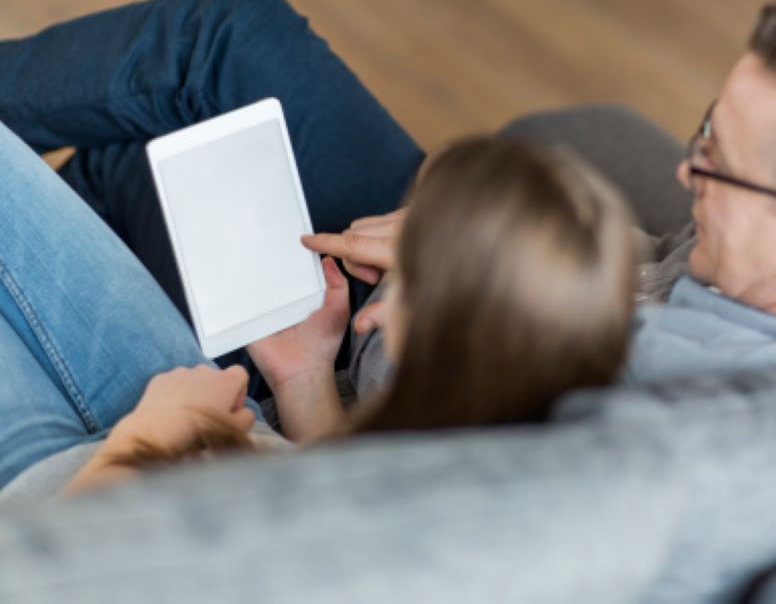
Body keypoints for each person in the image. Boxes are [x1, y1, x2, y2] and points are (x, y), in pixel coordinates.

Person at [309, 0, 776, 385]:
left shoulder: (638, 387)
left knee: (224, 43)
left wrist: (459, 254)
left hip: (380, 345)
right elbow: (661, 256)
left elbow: (389, 432)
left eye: (717, 164)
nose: (686, 169)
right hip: (524, 274)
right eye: (705, 131)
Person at [0, 135, 636, 500]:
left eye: (408, 258)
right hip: (216, 426)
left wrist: (148, 437)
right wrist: (304, 378)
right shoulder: (497, 447)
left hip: (75, 499)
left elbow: (49, 573)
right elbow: (339, 491)